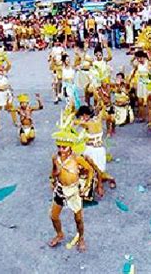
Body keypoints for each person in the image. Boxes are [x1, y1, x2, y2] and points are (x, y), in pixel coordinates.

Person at [48, 115, 94, 252]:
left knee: (78, 219)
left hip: (74, 191)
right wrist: (52, 179)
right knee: (53, 216)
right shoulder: (55, 158)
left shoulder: (77, 159)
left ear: (70, 147)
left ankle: (81, 238)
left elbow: (90, 170)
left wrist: (87, 185)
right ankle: (59, 234)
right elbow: (53, 172)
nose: (61, 149)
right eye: (59, 147)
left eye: (64, 147)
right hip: (61, 190)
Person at [75, 105, 117, 190]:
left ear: (84, 115)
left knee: (94, 171)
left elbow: (74, 122)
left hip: (91, 150)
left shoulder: (87, 124)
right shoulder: (98, 119)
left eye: (81, 116)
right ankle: (104, 181)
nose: (81, 118)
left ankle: (106, 182)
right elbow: (105, 115)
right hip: (100, 150)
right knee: (97, 171)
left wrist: (71, 111)